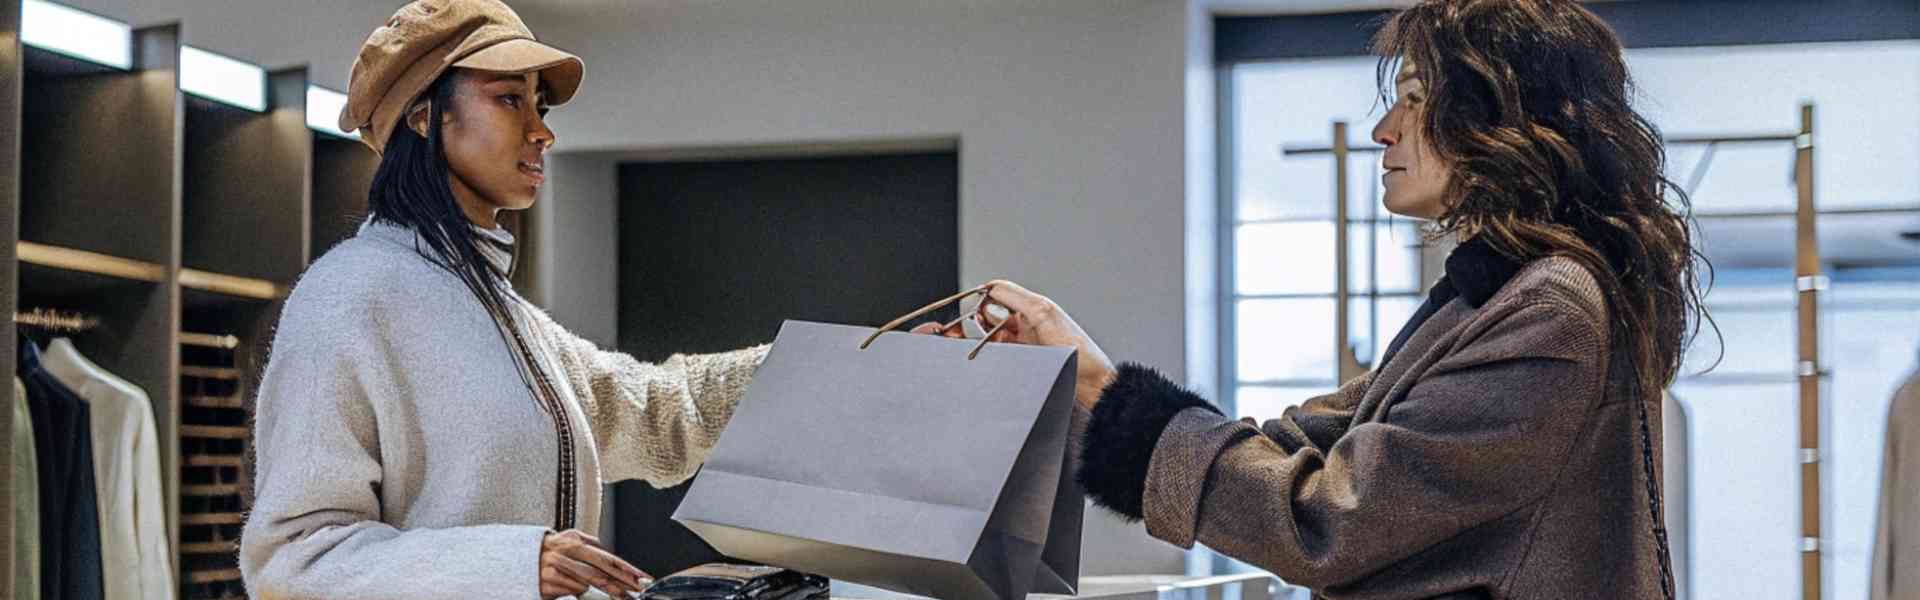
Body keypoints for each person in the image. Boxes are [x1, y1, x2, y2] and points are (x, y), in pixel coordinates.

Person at [930, 1, 1710, 597]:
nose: (1383, 130)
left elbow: (1333, 515)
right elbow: (1298, 446)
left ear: (1497, 114)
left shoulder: (1550, 309)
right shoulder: (1495, 298)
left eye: (1412, 98)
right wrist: (1069, 392)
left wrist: (1103, 388)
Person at [238, 2, 769, 598]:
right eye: (509, 99)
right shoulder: (348, 297)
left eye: (538, 105)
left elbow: (659, 414)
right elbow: (292, 558)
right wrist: (514, 563)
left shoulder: (507, 315)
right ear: (423, 116)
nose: (542, 132)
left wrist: (835, 363)